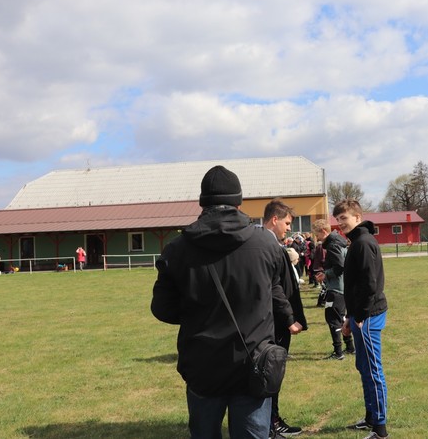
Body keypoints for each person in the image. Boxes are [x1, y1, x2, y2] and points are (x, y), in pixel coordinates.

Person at [151, 165, 288, 439]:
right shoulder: (266, 244)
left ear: (203, 202)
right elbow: (277, 296)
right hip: (253, 361)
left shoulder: (177, 249)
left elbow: (162, 308)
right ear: (238, 202)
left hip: (203, 363)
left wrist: (198, 312)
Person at [333, 199, 389, 439]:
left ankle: (380, 430)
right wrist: (350, 316)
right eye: (338, 219)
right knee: (363, 367)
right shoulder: (356, 241)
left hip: (369, 316)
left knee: (373, 370)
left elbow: (370, 284)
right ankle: (370, 418)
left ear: (357, 217)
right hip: (359, 316)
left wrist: (361, 315)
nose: (340, 223)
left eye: (344, 218)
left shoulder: (364, 243)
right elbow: (355, 286)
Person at [263, 199, 307, 438]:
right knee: (271, 374)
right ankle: (270, 424)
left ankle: (272, 420)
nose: (289, 228)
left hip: (277, 319)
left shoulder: (272, 245)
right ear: (274, 219)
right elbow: (275, 287)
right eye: (287, 223)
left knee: (274, 374)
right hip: (275, 322)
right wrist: (289, 318)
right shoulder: (268, 247)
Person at [312, 219, 355, 360]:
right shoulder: (339, 241)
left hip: (336, 289)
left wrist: (326, 275)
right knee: (341, 318)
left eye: (317, 234)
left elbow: (339, 267)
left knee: (332, 319)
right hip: (342, 287)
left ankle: (338, 352)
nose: (316, 238)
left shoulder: (332, 245)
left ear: (324, 231)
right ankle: (350, 347)